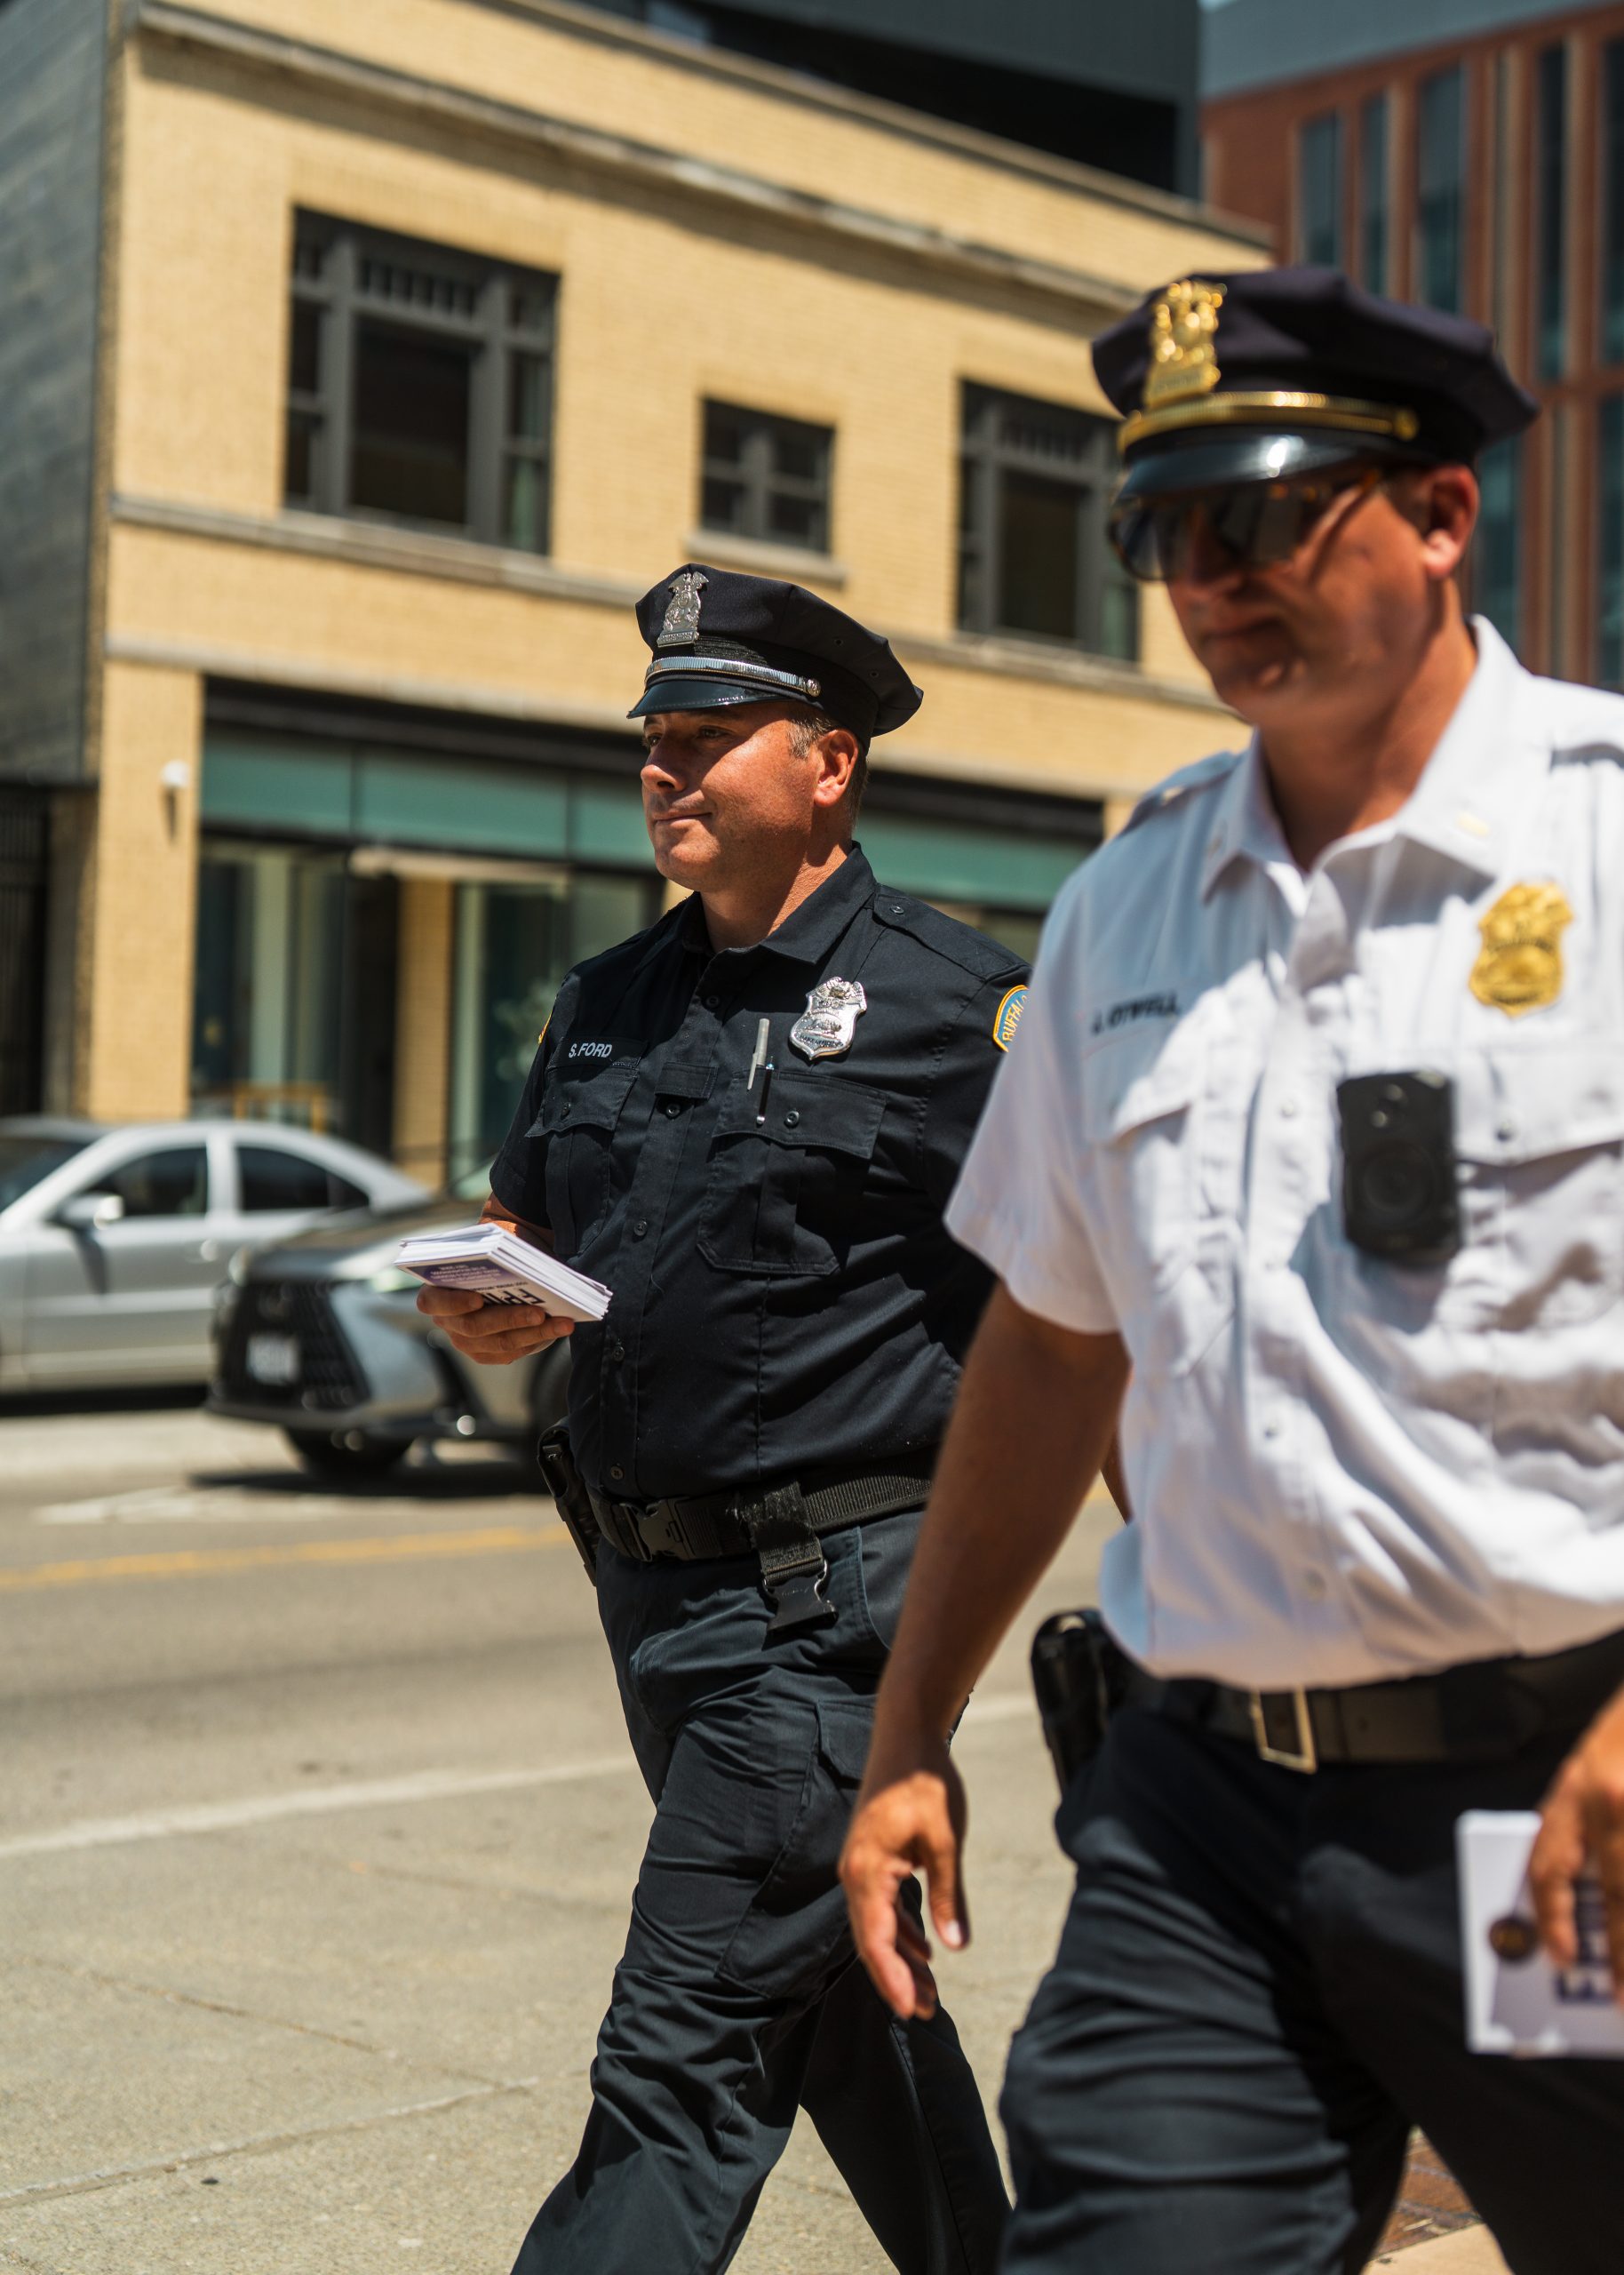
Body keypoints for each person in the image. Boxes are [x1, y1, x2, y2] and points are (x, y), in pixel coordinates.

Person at [840, 266, 1624, 2275]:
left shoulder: (1607, 850)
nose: (1205, 576)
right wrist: (907, 1723)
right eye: (1159, 533)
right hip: (1203, 1817)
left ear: (1438, 514)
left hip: (1558, 1800)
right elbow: (1041, 1341)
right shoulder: (1125, 901)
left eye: (1261, 512)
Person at [418, 563, 1020, 2274]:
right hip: (650, 1604)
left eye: (710, 738)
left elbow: (1068, 1329)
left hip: (824, 1628)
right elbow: (533, 1235)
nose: (666, 770)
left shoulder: (952, 1010)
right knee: (837, 2010)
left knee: (679, 2065)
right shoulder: (608, 1001)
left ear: (828, 765)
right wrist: (490, 1298)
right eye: (654, 742)